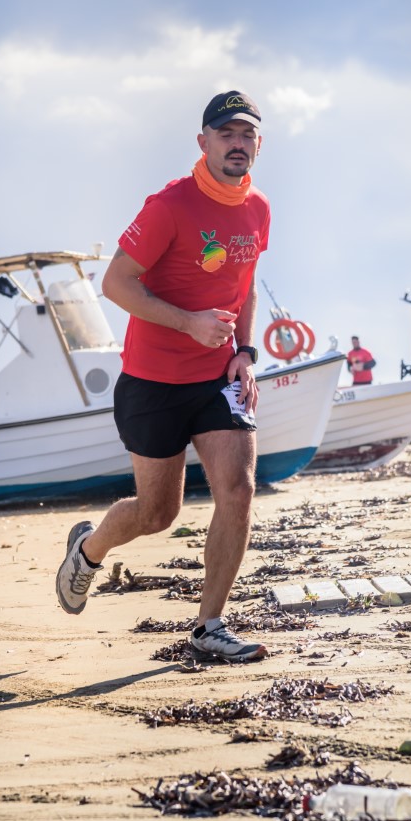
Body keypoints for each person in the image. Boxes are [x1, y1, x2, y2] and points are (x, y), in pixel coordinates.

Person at [55, 91, 271, 663]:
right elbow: (115, 283)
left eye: (247, 134)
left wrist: (244, 351)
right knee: (157, 513)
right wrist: (188, 323)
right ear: (203, 142)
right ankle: (88, 550)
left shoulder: (258, 209)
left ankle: (209, 626)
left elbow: (245, 282)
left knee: (239, 490)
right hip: (153, 381)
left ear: (259, 145)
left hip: (217, 378)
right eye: (225, 133)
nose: (237, 143)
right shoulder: (170, 205)